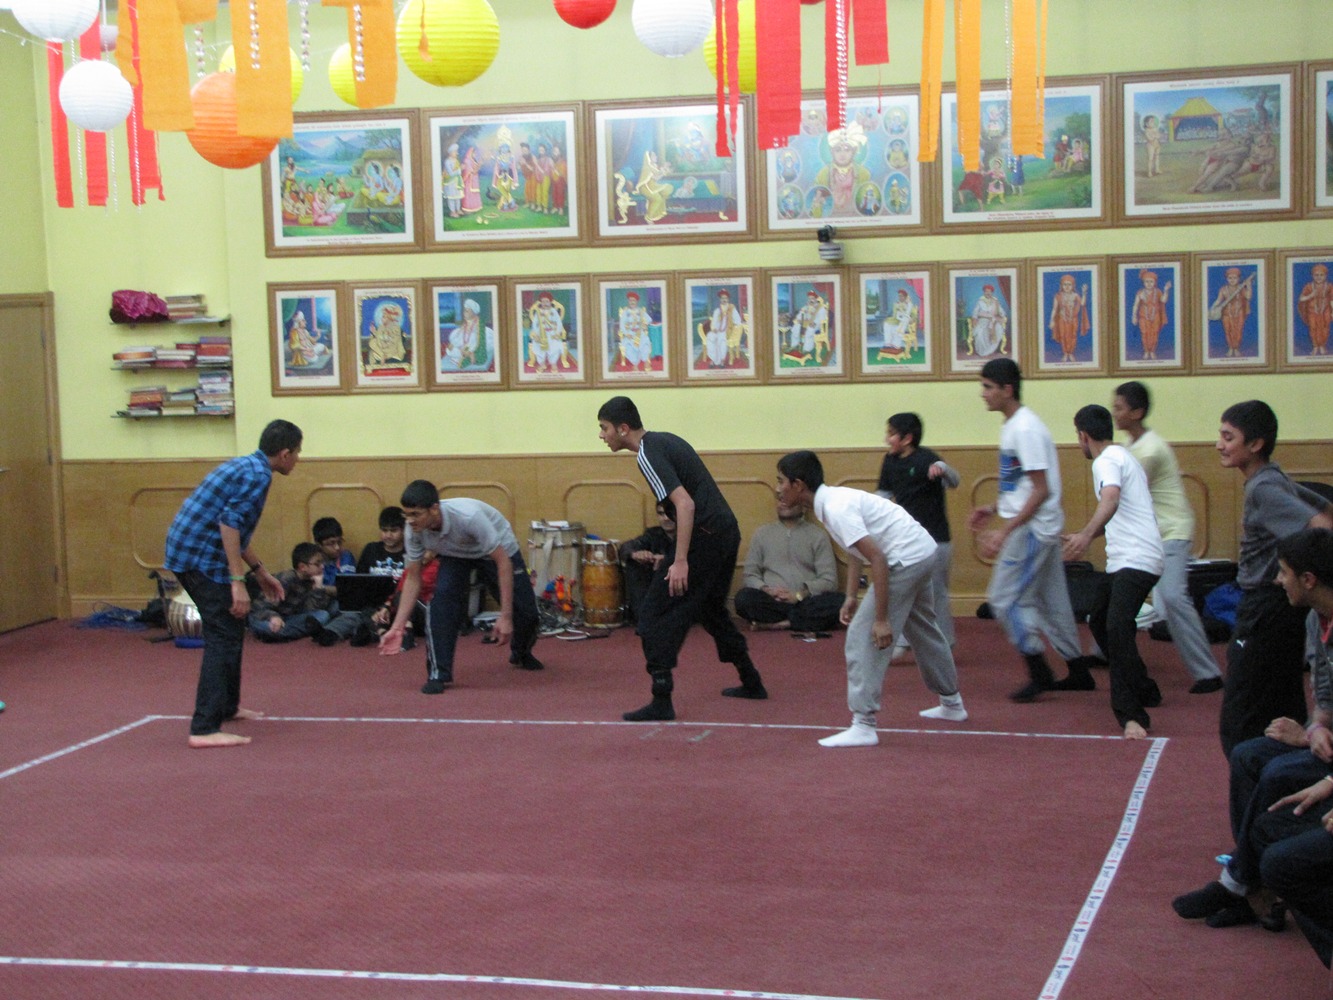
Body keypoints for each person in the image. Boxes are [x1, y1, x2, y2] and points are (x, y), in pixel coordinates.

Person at [1173, 529, 1333, 933]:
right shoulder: (1315, 621)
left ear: (1308, 579)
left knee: (1278, 772)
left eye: (1283, 572)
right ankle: (1250, 886)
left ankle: (1242, 884)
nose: (1277, 581)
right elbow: (1325, 696)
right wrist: (1315, 728)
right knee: (1250, 754)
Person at [776, 451, 967, 748]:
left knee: (862, 636)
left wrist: (880, 620)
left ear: (798, 485)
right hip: (923, 551)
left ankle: (863, 724)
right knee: (923, 629)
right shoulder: (830, 502)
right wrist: (851, 596)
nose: (778, 489)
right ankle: (952, 704)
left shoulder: (835, 507)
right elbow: (856, 552)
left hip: (905, 559)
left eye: (781, 481)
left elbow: (877, 558)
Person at [596, 396, 766, 720]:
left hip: (706, 536)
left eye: (604, 428)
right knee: (711, 609)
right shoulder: (665, 440)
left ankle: (661, 699)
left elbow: (685, 504)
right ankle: (751, 679)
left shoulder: (646, 453)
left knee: (652, 614)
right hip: (725, 531)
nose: (602, 435)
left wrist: (680, 561)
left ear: (623, 428)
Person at [164, 419, 302, 749]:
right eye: (298, 453)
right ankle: (204, 728)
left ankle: (227, 706)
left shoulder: (249, 466)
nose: (298, 459)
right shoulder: (258, 476)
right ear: (284, 454)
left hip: (191, 551)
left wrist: (260, 571)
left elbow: (236, 529)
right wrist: (237, 581)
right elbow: (228, 524)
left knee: (232, 625)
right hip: (197, 557)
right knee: (222, 635)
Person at [968, 359, 1098, 701]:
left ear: (1007, 389)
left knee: (1003, 599)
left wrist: (1005, 531)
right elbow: (1022, 485)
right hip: (1038, 526)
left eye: (988, 387)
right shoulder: (1014, 426)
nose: (983, 394)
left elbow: (1041, 491)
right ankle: (1079, 671)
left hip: (1033, 530)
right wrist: (992, 508)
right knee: (1052, 603)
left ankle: (1039, 671)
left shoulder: (1025, 429)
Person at [1216, 400, 1333, 757]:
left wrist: (1306, 567)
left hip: (1266, 607)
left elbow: (1320, 527)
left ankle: (1255, 778)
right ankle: (1287, 776)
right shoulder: (1272, 477)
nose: (1219, 445)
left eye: (1228, 437)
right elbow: (1325, 509)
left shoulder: (1263, 489)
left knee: (1241, 716)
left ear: (1256, 444)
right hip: (1279, 606)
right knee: (1281, 700)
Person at [1111, 382, 1224, 694]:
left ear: (1137, 412)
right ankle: (1103, 650)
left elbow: (1122, 496)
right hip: (1150, 537)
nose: (1114, 412)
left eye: (1119, 407)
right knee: (1117, 591)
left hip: (1171, 533)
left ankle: (1209, 674)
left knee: (1172, 597)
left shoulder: (1149, 450)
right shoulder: (1133, 446)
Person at [380, 480, 543, 693]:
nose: (410, 521)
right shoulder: (413, 530)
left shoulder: (469, 517)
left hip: (496, 552)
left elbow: (503, 562)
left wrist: (505, 616)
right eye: (407, 514)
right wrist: (397, 626)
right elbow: (413, 578)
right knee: (441, 603)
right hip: (455, 554)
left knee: (527, 613)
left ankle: (521, 652)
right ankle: (438, 673)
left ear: (434, 509)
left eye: (416, 514)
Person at [1062, 405, 1165, 738]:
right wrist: (1085, 534)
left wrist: (1085, 535)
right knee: (1099, 619)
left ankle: (1132, 715)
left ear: (1083, 436)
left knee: (1117, 629)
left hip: (1136, 560)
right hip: (1130, 560)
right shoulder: (1122, 457)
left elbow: (1111, 499)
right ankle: (1145, 688)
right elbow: (1120, 512)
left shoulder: (1106, 460)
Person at [876, 412, 959, 648]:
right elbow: (883, 495)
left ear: (907, 439)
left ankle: (945, 642)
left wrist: (943, 469)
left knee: (937, 593)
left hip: (936, 539)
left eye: (891, 434)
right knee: (904, 591)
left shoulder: (926, 459)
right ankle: (902, 641)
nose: (887, 439)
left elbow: (954, 481)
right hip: (906, 540)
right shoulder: (890, 461)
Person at [733, 497, 842, 633]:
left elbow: (829, 580)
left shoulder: (818, 535)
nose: (784, 503)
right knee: (743, 598)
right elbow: (750, 575)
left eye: (790, 499)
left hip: (805, 601)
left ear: (804, 506)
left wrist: (799, 595)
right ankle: (799, 620)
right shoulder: (761, 534)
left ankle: (781, 623)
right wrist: (767, 590)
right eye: (780, 499)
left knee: (840, 602)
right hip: (772, 601)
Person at [249, 542, 363, 645]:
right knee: (267, 628)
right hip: (264, 617)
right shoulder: (286, 579)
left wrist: (319, 588)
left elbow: (312, 608)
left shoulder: (311, 580)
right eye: (317, 564)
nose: (322, 566)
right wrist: (274, 617)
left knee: (323, 615)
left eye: (322, 562)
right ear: (302, 567)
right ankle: (283, 634)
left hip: (290, 618)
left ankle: (286, 634)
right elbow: (260, 607)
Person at [618, 499, 677, 626]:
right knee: (634, 564)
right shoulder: (653, 534)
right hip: (660, 588)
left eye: (670, 514)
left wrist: (667, 561)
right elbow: (626, 547)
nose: (666, 518)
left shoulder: (693, 534)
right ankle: (642, 616)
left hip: (683, 586)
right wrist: (635, 554)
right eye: (661, 514)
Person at [1210, 267, 1254, 358]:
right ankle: (1230, 348)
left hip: (1239, 313)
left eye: (1235, 278)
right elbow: (1218, 300)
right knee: (1228, 330)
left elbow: (1248, 297)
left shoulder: (1241, 288)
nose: (1232, 280)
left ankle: (1236, 348)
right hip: (1226, 314)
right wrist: (1213, 308)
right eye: (1230, 278)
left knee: (1238, 331)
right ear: (1227, 279)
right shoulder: (1223, 289)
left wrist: (1249, 285)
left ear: (1238, 278)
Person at [356, 506, 407, 578]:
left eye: (394, 530)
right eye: (384, 530)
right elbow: (358, 579)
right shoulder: (370, 550)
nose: (388, 535)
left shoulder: (411, 553)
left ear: (403, 530)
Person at [1130, 270, 1171, 361]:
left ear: (1154, 282)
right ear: (1143, 282)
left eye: (1151, 281)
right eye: (1147, 281)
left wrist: (1166, 290)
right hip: (1143, 316)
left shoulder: (1158, 291)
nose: (1149, 284)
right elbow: (1136, 305)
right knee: (1144, 333)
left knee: (1154, 333)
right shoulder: (1140, 292)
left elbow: (1163, 300)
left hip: (1155, 316)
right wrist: (1134, 316)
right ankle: (1146, 351)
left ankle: (1152, 351)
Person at [1048, 274, 1089, 363]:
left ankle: (1071, 353)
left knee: (1073, 335)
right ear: (1061, 286)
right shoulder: (1058, 296)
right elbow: (1054, 309)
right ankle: (1065, 353)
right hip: (1062, 319)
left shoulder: (1075, 295)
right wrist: (1052, 320)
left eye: (1069, 284)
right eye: (1065, 284)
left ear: (1073, 286)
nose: (1067, 287)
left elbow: (1082, 303)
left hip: (1073, 320)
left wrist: (1084, 293)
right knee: (1063, 336)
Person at [1296, 263, 1332, 357]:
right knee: (1313, 328)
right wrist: (1311, 295)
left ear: (1325, 276)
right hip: (1312, 311)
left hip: (1325, 311)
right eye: (1316, 275)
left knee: (1325, 327)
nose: (1319, 277)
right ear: (1312, 276)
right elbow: (1301, 299)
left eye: (1321, 275)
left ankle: (1322, 346)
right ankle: (1315, 346)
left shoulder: (1329, 286)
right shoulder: (1309, 286)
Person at [313, 516, 355, 588]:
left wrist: (322, 588)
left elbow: (347, 588)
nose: (337, 547)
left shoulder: (345, 556)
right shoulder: (312, 561)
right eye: (331, 543)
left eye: (339, 542)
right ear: (319, 545)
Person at [967, 284, 1007, 357]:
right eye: (986, 291)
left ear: (992, 292)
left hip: (993, 320)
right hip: (983, 320)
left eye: (989, 291)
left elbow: (1002, 312)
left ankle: (990, 350)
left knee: (998, 328)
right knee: (980, 331)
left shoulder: (995, 301)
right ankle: (983, 351)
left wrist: (1000, 315)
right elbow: (975, 312)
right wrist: (974, 318)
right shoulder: (980, 301)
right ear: (984, 292)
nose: (988, 293)